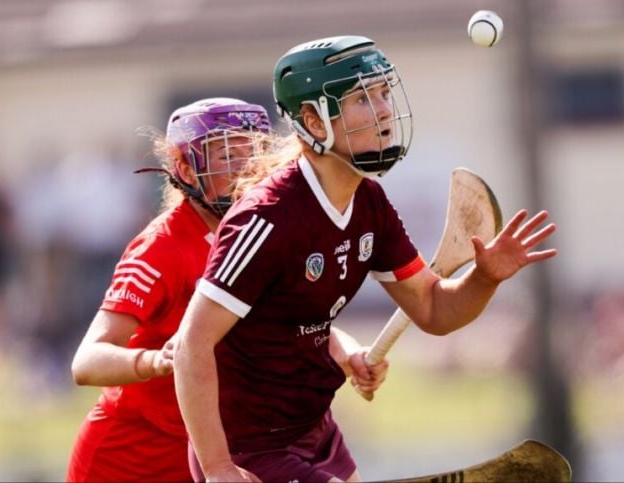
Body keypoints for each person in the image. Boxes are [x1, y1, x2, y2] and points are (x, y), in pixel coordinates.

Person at [174, 36, 558, 483]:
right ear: (314, 121)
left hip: (316, 434)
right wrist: (219, 468)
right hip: (250, 450)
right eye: (361, 98)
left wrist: (484, 279)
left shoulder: (369, 202)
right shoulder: (267, 219)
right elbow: (191, 346)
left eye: (382, 93)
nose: (382, 111)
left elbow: (433, 308)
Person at [66, 97, 387, 482]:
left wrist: (349, 352)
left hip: (216, 449)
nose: (243, 168)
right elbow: (86, 362)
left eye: (250, 151)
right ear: (185, 167)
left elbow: (287, 324)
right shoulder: (161, 249)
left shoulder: (264, 228)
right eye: (224, 156)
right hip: (131, 459)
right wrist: (158, 362)